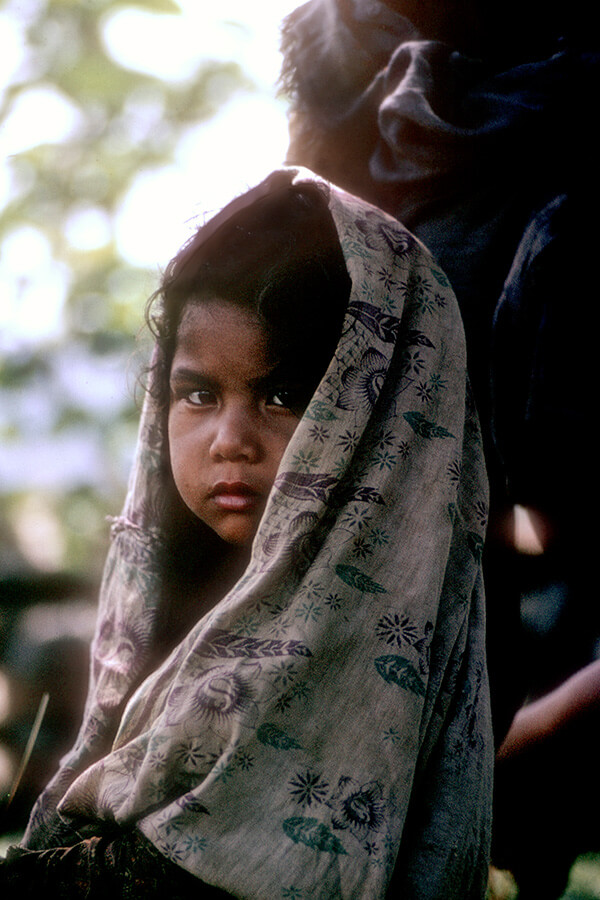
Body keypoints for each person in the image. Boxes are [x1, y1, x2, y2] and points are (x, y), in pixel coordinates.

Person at [1, 168, 492, 898]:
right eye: (197, 394)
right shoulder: (192, 601)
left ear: (382, 426)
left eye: (285, 396)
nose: (230, 440)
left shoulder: (358, 640)